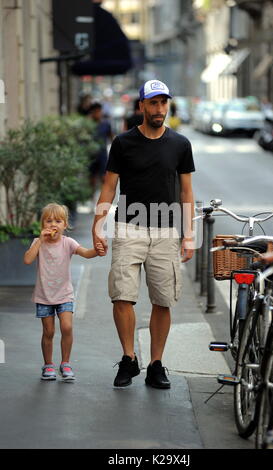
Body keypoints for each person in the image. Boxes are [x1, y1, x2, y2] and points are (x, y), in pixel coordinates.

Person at [92, 79, 195, 390]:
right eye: (153, 103)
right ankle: (128, 358)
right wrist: (98, 226)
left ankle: (155, 364)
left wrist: (189, 235)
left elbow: (187, 193)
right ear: (141, 107)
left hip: (166, 229)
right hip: (128, 227)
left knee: (163, 300)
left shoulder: (180, 144)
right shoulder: (123, 143)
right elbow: (109, 186)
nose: (159, 108)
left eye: (163, 103)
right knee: (122, 295)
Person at [24, 203, 101, 381]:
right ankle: (48, 365)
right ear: (42, 224)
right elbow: (27, 260)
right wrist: (40, 240)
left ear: (65, 225)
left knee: (67, 327)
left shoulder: (68, 243)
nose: (53, 224)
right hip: (44, 296)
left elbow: (86, 253)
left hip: (64, 294)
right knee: (48, 332)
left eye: (58, 221)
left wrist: (97, 251)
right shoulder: (38, 242)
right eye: (48, 221)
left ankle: (65, 363)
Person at [88, 102, 114, 191]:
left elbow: (111, 137)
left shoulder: (106, 124)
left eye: (99, 111)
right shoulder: (87, 125)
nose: (98, 114)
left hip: (102, 155)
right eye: (95, 112)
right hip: (90, 155)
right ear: (92, 112)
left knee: (104, 178)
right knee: (91, 179)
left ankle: (103, 198)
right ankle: (92, 198)